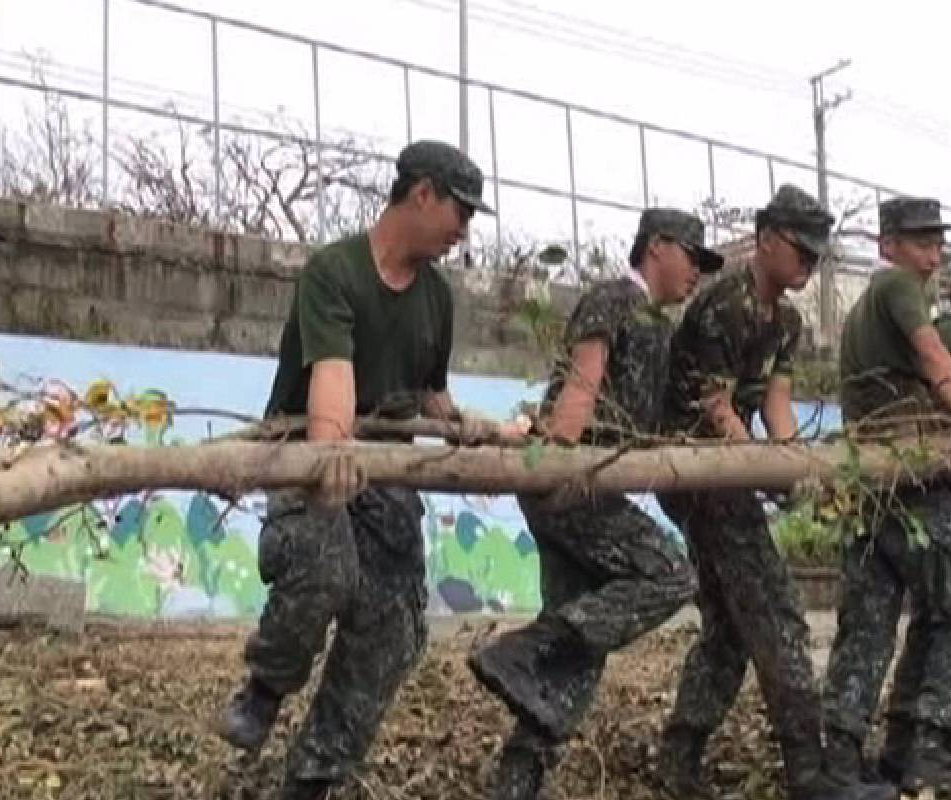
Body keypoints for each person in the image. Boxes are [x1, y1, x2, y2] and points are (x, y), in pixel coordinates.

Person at [217, 139, 519, 800]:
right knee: (326, 569)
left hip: (385, 467)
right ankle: (265, 687)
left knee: (398, 626)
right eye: (461, 213)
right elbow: (331, 378)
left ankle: (315, 775)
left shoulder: (438, 297)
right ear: (422, 194)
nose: (464, 231)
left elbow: (428, 392)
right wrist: (332, 456)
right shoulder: (334, 271)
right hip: (308, 455)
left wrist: (468, 426)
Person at [467, 208, 720, 800]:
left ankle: (517, 778)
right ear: (656, 248)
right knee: (671, 572)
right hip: (571, 481)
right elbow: (581, 388)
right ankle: (524, 648)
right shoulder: (612, 299)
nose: (697, 276)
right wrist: (562, 465)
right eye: (692, 257)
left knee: (585, 648)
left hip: (590, 482)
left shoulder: (658, 325)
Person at [655, 185, 895, 800]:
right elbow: (715, 408)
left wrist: (793, 466)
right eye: (801, 250)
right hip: (699, 472)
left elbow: (777, 406)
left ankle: (677, 765)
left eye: (818, 254)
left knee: (730, 631)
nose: (810, 265)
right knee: (776, 609)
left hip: (733, 469)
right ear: (765, 240)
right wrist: (767, 470)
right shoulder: (721, 306)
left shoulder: (784, 321)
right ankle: (809, 775)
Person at [821, 198, 951, 796]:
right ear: (888, 245)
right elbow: (934, 358)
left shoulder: (867, 307)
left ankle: (846, 762)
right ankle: (933, 748)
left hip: (870, 488)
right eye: (920, 241)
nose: (933, 254)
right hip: (908, 480)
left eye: (937, 242)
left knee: (870, 624)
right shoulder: (898, 288)